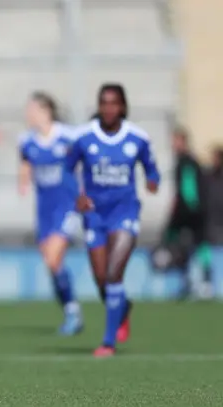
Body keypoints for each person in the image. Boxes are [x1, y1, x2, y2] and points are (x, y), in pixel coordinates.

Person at [67, 83, 160, 358]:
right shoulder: (84, 137)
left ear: (122, 106)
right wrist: (77, 196)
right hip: (95, 215)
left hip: (125, 212)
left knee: (113, 274)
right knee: (100, 279)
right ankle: (123, 308)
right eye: (104, 103)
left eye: (114, 103)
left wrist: (153, 181)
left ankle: (108, 342)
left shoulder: (138, 138)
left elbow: (152, 169)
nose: (108, 108)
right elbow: (65, 170)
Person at [18, 92, 83, 335]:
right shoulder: (27, 140)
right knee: (51, 263)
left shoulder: (67, 136)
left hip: (67, 207)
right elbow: (25, 163)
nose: (28, 114)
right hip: (44, 210)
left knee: (54, 257)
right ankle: (70, 310)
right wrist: (23, 182)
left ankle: (73, 312)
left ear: (45, 111)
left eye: (32, 109)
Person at [160, 128, 213, 300]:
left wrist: (185, 210)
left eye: (176, 141)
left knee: (193, 245)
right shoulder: (186, 161)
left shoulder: (186, 162)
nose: (173, 145)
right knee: (192, 247)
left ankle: (202, 283)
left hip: (190, 212)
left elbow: (188, 190)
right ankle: (192, 282)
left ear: (183, 142)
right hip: (193, 211)